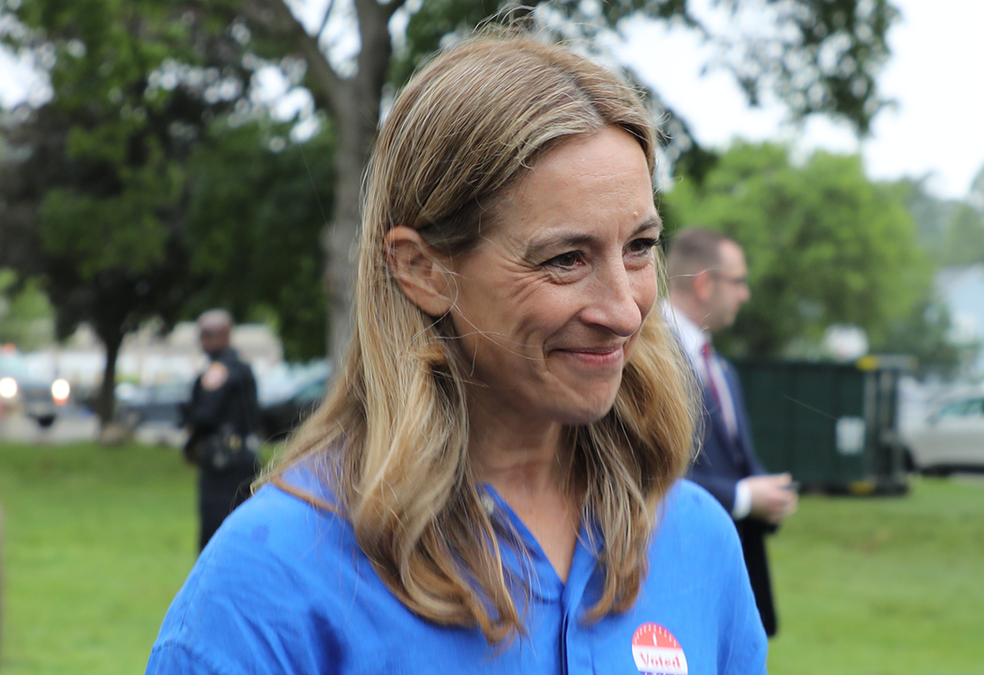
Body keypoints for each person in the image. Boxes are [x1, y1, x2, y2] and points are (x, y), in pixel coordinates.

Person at [146, 33, 767, 673]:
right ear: (422, 269)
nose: (624, 310)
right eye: (565, 259)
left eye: (639, 247)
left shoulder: (694, 541)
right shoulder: (274, 579)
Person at [664, 228, 798, 638]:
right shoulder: (644, 358)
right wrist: (742, 497)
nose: (745, 294)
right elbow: (643, 471)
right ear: (705, 284)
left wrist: (767, 497)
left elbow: (736, 459)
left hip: (730, 586)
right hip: (675, 581)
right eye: (738, 281)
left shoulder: (721, 368)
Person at [181, 309, 260, 552]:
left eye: (208, 335)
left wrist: (190, 436)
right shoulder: (242, 368)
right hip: (244, 458)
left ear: (224, 335)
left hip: (222, 464)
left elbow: (205, 416)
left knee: (215, 533)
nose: (203, 341)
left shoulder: (219, 371)